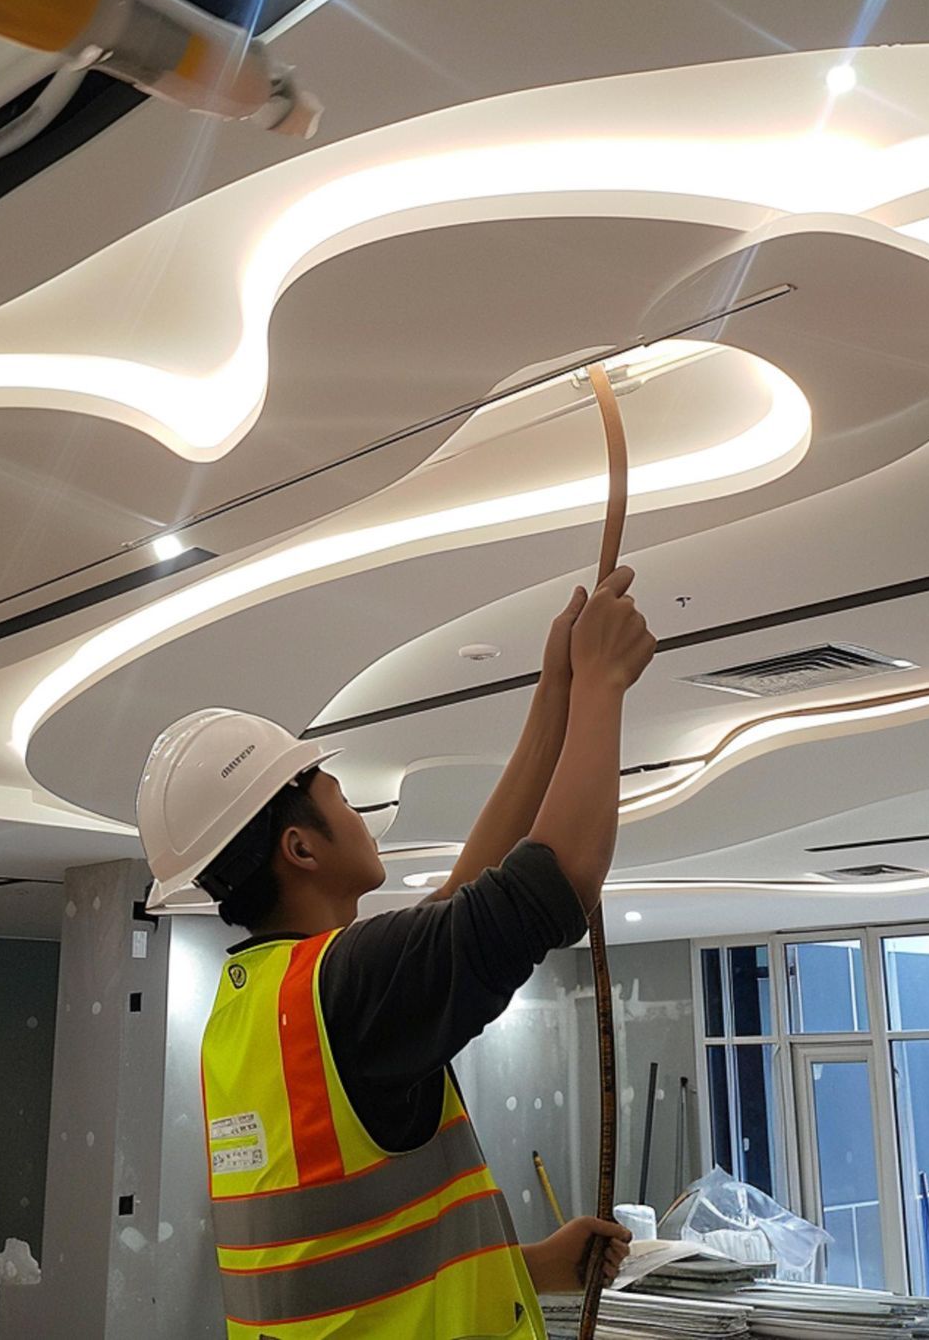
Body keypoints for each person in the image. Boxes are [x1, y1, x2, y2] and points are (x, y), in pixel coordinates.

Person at [136, 565, 657, 1338]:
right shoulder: (346, 986)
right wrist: (602, 686)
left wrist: (555, 690)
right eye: (337, 793)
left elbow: (458, 905)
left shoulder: (256, 1007)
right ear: (300, 847)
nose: (355, 805)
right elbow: (560, 879)